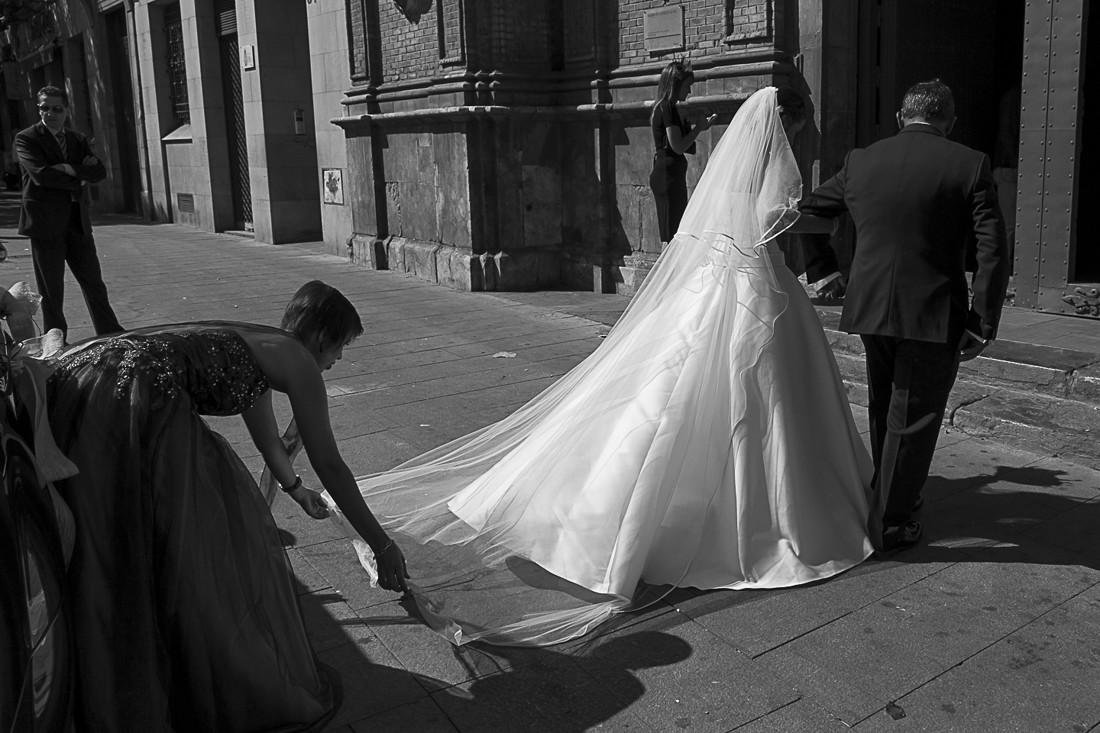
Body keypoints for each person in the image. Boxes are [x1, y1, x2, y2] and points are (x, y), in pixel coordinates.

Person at [336, 87, 874, 647]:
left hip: (721, 283)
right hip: (753, 288)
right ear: (783, 125)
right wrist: (829, 227)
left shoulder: (733, 162)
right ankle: (751, 514)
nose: (804, 133)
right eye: (801, 124)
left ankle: (628, 505)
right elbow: (771, 224)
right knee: (743, 399)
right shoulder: (764, 165)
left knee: (682, 395)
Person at [46, 281, 409, 731]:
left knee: (132, 534)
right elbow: (331, 464)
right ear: (321, 338)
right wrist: (381, 542)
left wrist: (297, 491)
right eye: (341, 348)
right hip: (138, 396)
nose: (338, 361)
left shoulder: (260, 349)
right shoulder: (298, 360)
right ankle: (206, 664)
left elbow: (270, 445)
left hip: (96, 371)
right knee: (205, 545)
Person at [799, 79, 1010, 552]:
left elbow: (805, 211)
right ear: (950, 122)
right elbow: (993, 249)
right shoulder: (968, 163)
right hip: (933, 312)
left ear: (900, 116)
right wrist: (983, 319)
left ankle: (893, 493)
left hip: (872, 306)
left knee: (885, 405)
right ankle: (891, 522)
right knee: (913, 417)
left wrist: (823, 267)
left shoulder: (862, 160)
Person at [16, 84, 122, 342]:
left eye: (56, 108)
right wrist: (79, 175)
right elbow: (41, 175)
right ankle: (56, 342)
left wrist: (66, 168)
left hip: (77, 222)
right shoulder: (27, 138)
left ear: (66, 110)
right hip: (45, 224)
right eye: (44, 108)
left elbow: (99, 172)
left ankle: (110, 334)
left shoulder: (77, 140)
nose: (50, 113)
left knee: (95, 284)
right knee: (52, 291)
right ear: (38, 109)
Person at [649, 59, 718, 243]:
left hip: (669, 175)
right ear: (675, 84)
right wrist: (697, 129)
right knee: (671, 238)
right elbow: (677, 146)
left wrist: (700, 128)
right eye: (687, 86)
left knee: (674, 235)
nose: (689, 91)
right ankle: (666, 272)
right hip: (667, 176)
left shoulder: (666, 107)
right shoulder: (667, 108)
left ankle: (671, 272)